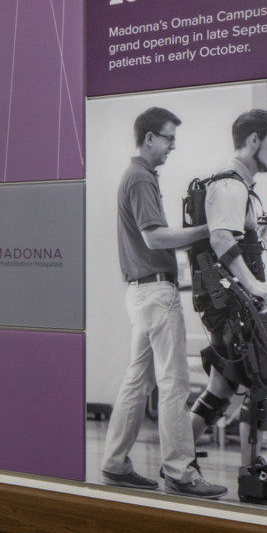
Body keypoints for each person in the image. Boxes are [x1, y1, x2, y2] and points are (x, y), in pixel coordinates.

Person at [188, 108, 267, 504]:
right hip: (235, 306)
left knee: (220, 389)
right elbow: (221, 240)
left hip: (230, 304)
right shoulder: (231, 185)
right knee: (262, 386)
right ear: (253, 141)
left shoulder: (235, 185)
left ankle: (176, 463)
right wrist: (255, 286)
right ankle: (254, 482)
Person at [100, 107, 207, 491]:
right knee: (174, 382)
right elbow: (155, 238)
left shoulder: (136, 176)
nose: (171, 147)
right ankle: (180, 470)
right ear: (149, 138)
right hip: (157, 293)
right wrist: (205, 231)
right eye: (168, 138)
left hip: (141, 293)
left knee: (137, 381)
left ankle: (114, 461)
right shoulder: (141, 178)